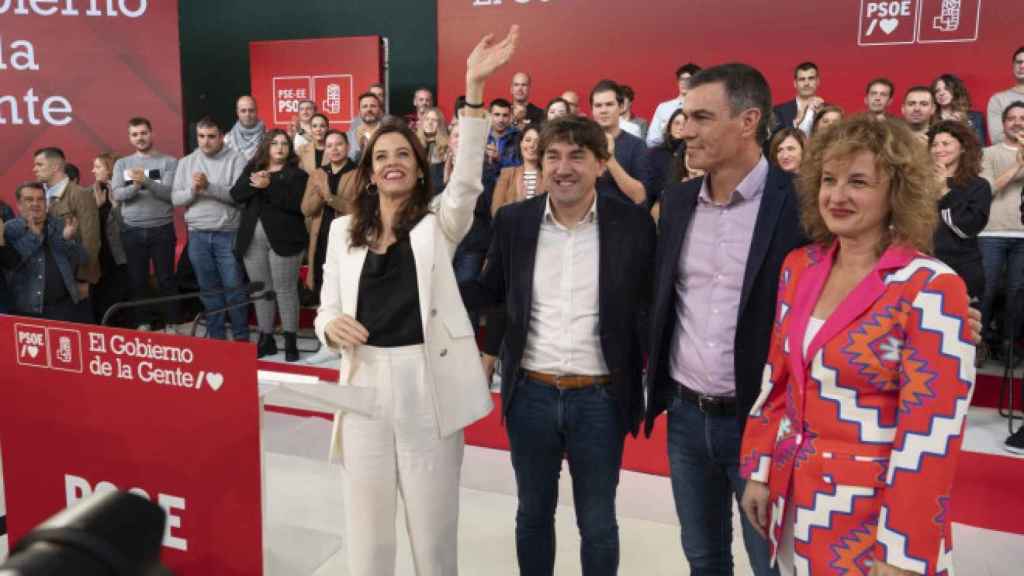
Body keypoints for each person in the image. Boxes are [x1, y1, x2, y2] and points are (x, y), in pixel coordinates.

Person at [313, 26, 516, 576]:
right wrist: (332, 327)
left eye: (403, 153)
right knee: (367, 536)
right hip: (364, 389)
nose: (392, 162)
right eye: (382, 155)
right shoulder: (342, 231)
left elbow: (469, 181)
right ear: (369, 168)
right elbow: (325, 308)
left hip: (427, 386)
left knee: (433, 536)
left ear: (418, 163)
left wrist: (474, 89)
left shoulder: (436, 225)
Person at [739, 115, 975, 576]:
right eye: (828, 179)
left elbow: (931, 436)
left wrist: (903, 553)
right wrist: (761, 469)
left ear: (897, 192)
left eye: (859, 182)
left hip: (876, 520)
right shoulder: (799, 267)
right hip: (794, 506)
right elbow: (778, 383)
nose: (837, 195)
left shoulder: (930, 286)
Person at [465, 112, 656, 576]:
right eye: (553, 155)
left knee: (598, 523)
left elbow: (650, 304)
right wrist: (483, 353)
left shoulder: (631, 225)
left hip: (601, 397)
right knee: (532, 515)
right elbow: (493, 297)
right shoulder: (513, 222)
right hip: (530, 392)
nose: (563, 167)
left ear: (600, 163)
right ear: (540, 161)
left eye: (577, 155)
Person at [644, 62, 806, 576]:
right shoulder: (675, 202)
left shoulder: (801, 205)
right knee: (704, 559)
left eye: (701, 117)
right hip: (686, 419)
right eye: (684, 116)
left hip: (766, 423)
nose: (685, 129)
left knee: (772, 565)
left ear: (748, 121)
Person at [231, 129, 309, 361]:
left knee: (285, 290)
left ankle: (291, 341)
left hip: (285, 240)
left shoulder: (297, 175)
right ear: (267, 146)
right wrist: (256, 184)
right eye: (274, 143)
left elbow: (297, 205)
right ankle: (266, 339)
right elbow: (236, 194)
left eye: (284, 143)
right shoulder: (253, 169)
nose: (280, 147)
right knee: (261, 290)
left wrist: (268, 187)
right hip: (252, 241)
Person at [172, 117, 250, 341]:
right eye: (201, 137)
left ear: (222, 136)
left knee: (234, 288)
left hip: (228, 233)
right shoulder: (186, 162)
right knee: (208, 290)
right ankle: (216, 340)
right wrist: (193, 191)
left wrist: (209, 187)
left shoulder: (236, 160)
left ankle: (241, 338)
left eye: (211, 137)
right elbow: (176, 198)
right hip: (197, 234)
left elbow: (239, 197)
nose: (205, 142)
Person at [111, 117, 180, 331]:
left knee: (166, 279)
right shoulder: (122, 163)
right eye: (135, 134)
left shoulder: (169, 162)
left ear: (151, 133)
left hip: (162, 229)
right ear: (130, 138)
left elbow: (169, 194)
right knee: (137, 280)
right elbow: (118, 194)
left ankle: (171, 323)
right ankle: (143, 323)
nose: (140, 138)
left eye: (143, 133)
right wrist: (136, 185)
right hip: (132, 230)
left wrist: (146, 181)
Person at [302, 129, 358, 365]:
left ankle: (344, 342)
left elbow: (359, 209)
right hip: (321, 238)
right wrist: (320, 195)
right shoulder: (317, 173)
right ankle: (328, 342)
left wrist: (330, 197)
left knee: (346, 289)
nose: (334, 149)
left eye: (339, 144)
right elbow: (306, 209)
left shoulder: (357, 173)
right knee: (325, 290)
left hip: (347, 239)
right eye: (330, 145)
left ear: (347, 147)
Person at [2, 182, 90, 322]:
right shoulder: (10, 229)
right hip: (27, 309)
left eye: (40, 199)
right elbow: (12, 264)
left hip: (65, 306)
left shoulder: (60, 224)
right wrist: (34, 237)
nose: (35, 204)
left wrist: (68, 240)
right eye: (29, 200)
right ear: (19, 205)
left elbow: (82, 258)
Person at [978, 101, 1024, 368]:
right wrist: (1018, 165)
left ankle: (1009, 343)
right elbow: (987, 190)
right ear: (1004, 123)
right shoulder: (988, 153)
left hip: (1022, 235)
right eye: (1012, 118)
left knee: (1017, 292)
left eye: (1022, 118)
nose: (1017, 122)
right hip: (991, 231)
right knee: (987, 288)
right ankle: (978, 342)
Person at [929, 120, 991, 304]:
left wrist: (943, 190)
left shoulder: (978, 186)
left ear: (963, 148)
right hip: (925, 268)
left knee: (964, 328)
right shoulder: (920, 184)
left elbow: (966, 228)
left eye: (946, 143)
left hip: (962, 270)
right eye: (934, 144)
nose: (939, 149)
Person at [32, 147, 101, 309]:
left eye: (39, 164)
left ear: (55, 167)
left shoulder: (80, 194)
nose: (34, 169)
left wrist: (84, 279)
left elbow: (91, 240)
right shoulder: (39, 195)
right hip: (44, 279)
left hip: (71, 279)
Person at [591, 79, 651, 205]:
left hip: (623, 219)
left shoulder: (637, 145)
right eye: (598, 105)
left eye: (609, 104)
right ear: (592, 110)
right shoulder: (582, 143)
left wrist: (610, 160)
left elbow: (640, 196)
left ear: (621, 107)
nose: (603, 110)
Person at [87, 153, 130, 326]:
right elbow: (89, 227)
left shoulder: (127, 189)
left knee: (120, 299)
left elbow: (129, 226)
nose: (93, 171)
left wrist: (116, 206)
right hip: (100, 258)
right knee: (101, 301)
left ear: (110, 169)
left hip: (121, 258)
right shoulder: (94, 191)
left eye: (98, 167)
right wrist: (96, 208)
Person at [648, 63, 701, 148]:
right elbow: (652, 140)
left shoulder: (703, 107)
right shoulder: (664, 108)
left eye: (688, 79)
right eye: (681, 79)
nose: (684, 83)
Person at [932, 74, 987, 145]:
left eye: (947, 89)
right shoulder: (930, 118)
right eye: (937, 91)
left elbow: (980, 147)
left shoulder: (975, 117)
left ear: (956, 91)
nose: (941, 93)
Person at [986, 46, 1024, 144]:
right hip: (1008, 157)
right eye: (1019, 62)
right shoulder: (998, 100)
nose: (1022, 66)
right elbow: (997, 139)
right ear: (1013, 65)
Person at [647, 108, 687, 199]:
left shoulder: (693, 153)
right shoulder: (655, 153)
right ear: (669, 127)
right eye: (677, 123)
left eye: (685, 124)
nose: (680, 127)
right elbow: (651, 183)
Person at [774, 62, 823, 135]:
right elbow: (776, 140)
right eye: (802, 79)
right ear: (795, 83)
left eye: (811, 78)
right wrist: (798, 120)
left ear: (818, 81)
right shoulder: (779, 111)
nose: (806, 83)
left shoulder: (829, 110)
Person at [484, 98, 520, 179]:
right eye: (497, 115)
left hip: (509, 187)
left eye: (505, 115)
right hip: (484, 187)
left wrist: (499, 159)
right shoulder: (481, 136)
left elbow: (521, 167)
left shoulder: (518, 136)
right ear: (489, 115)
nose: (501, 120)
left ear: (510, 116)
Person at [415, 106, 450, 191]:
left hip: (438, 191)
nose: (430, 123)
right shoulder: (414, 144)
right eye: (427, 119)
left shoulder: (446, 147)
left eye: (434, 120)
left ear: (440, 124)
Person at [225, 95, 265, 161]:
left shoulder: (268, 137)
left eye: (251, 110)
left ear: (256, 111)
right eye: (243, 111)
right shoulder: (227, 140)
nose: (247, 115)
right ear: (237, 112)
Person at [347, 92, 384, 162]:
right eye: (365, 106)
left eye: (373, 106)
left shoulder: (388, 133)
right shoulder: (349, 136)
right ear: (359, 111)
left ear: (379, 110)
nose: (369, 109)